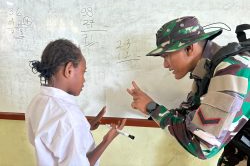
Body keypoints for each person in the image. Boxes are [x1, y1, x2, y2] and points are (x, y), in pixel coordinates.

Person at [127, 16, 250, 165]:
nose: (165, 65)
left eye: (166, 56)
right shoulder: (207, 72)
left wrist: (152, 108)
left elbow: (202, 145)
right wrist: (151, 108)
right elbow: (187, 116)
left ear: (189, 48)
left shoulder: (232, 70)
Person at [26, 39, 126, 166]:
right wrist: (107, 140)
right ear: (69, 70)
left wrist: (86, 127)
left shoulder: (38, 101)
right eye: (83, 72)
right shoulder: (69, 116)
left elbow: (53, 138)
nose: (84, 79)